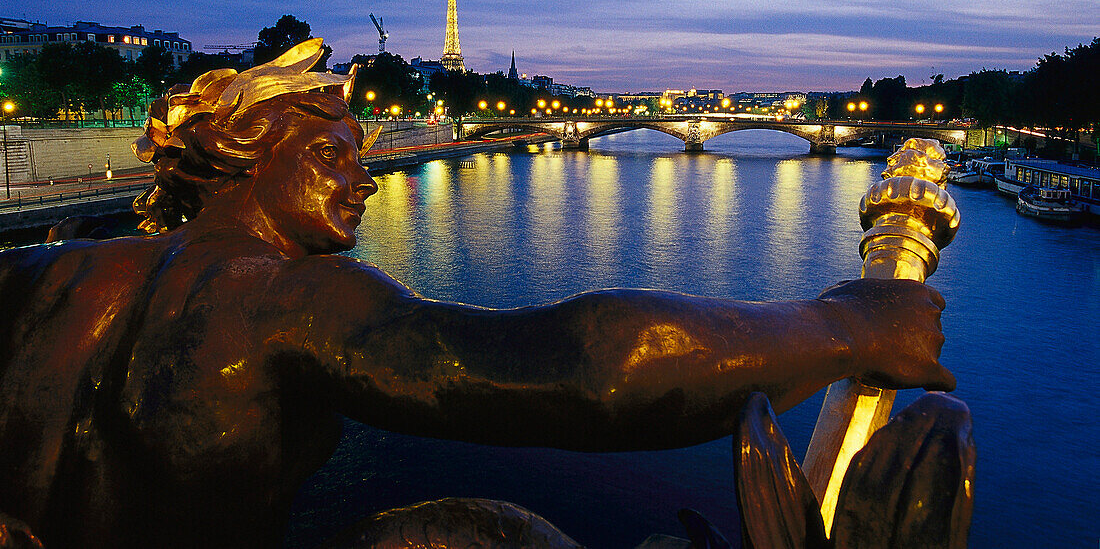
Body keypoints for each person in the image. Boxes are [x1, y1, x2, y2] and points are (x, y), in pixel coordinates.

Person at [0, 40, 953, 548]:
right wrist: (842, 323)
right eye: (332, 154)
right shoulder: (275, 296)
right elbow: (579, 370)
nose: (362, 179)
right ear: (250, 157)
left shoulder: (46, 273)